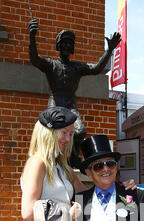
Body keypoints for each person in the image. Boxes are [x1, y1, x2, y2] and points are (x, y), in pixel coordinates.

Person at [28, 18, 121, 166]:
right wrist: (32, 37)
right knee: (52, 132)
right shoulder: (51, 65)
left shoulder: (77, 67)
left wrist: (109, 50)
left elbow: (96, 68)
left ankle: (71, 158)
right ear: (58, 45)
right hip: (56, 101)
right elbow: (35, 59)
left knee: (79, 131)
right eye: (64, 42)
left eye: (69, 43)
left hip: (70, 102)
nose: (67, 45)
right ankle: (52, 158)